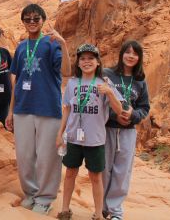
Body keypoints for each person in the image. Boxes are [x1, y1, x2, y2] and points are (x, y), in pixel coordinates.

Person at [5, 3, 71, 215]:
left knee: (48, 156)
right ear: (23, 22)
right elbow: (17, 80)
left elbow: (67, 71)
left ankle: (45, 197)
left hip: (48, 108)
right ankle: (31, 193)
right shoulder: (22, 47)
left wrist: (64, 45)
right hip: (23, 107)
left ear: (43, 20)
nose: (32, 22)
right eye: (28, 19)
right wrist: (10, 111)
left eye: (36, 19)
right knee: (24, 155)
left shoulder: (51, 44)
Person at [55, 44, 125, 220]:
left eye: (90, 58)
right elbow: (67, 109)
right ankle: (64, 209)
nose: (86, 62)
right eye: (83, 59)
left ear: (98, 62)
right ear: (78, 63)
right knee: (70, 172)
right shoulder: (72, 83)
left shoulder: (105, 83)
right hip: (73, 138)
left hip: (95, 139)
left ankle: (98, 214)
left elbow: (119, 110)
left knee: (95, 177)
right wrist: (59, 134)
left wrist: (109, 92)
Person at [102, 41, 150, 220]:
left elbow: (144, 108)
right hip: (107, 129)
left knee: (122, 171)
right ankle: (101, 208)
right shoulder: (107, 74)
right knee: (104, 169)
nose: (131, 56)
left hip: (128, 131)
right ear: (121, 54)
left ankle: (115, 211)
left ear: (139, 58)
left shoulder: (140, 81)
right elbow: (98, 101)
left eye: (135, 53)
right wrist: (115, 115)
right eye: (128, 52)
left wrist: (132, 115)